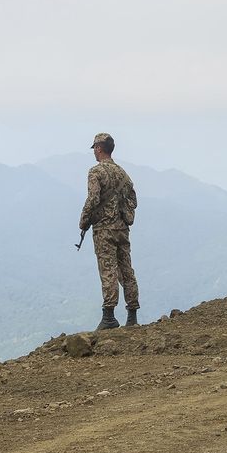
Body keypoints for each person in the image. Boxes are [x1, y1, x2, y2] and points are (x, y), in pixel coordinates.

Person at [78, 133, 140, 330]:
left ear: (98, 148)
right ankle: (132, 315)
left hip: (104, 229)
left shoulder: (95, 172)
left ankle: (109, 317)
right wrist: (125, 216)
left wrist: (84, 221)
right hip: (122, 229)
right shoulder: (123, 174)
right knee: (126, 270)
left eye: (94, 149)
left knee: (108, 270)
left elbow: (93, 199)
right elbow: (133, 200)